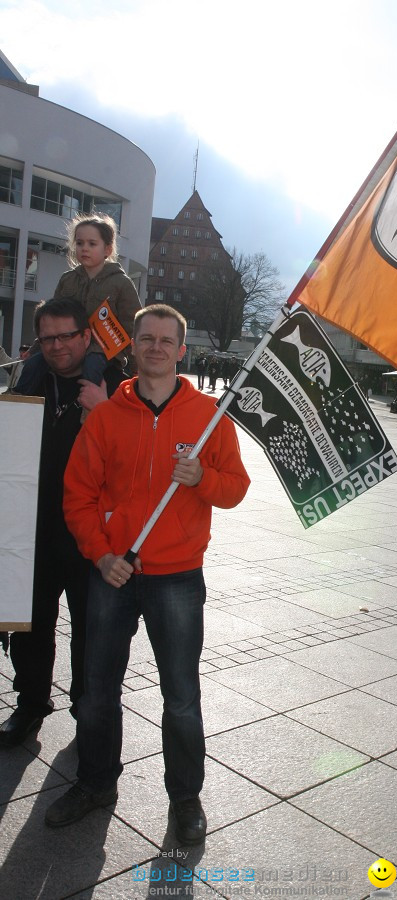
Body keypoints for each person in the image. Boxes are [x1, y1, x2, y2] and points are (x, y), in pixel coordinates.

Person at [45, 304, 250, 845]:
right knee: (96, 691)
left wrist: (204, 477)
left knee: (180, 694)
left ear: (182, 350)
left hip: (178, 576)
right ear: (131, 346)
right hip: (114, 572)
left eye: (167, 340)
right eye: (146, 338)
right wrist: (100, 554)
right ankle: (95, 783)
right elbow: (79, 495)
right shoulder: (109, 415)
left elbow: (236, 489)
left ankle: (185, 798)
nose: (156, 347)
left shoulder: (209, 416)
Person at [0, 299, 123, 748]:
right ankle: (31, 704)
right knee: (31, 625)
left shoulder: (113, 384)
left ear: (86, 336)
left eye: (66, 336)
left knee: (91, 629)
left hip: (91, 536)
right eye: (47, 338)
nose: (56, 346)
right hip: (34, 529)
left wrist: (105, 407)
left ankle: (86, 710)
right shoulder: (28, 381)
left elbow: (133, 455)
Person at [15, 213, 141, 393]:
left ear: (107, 249)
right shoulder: (67, 280)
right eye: (79, 243)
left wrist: (137, 365)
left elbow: (133, 325)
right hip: (67, 345)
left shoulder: (121, 283)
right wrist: (35, 349)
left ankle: (87, 413)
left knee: (91, 366)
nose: (84, 248)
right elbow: (51, 320)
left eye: (92, 243)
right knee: (33, 365)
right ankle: (18, 402)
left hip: (101, 349)